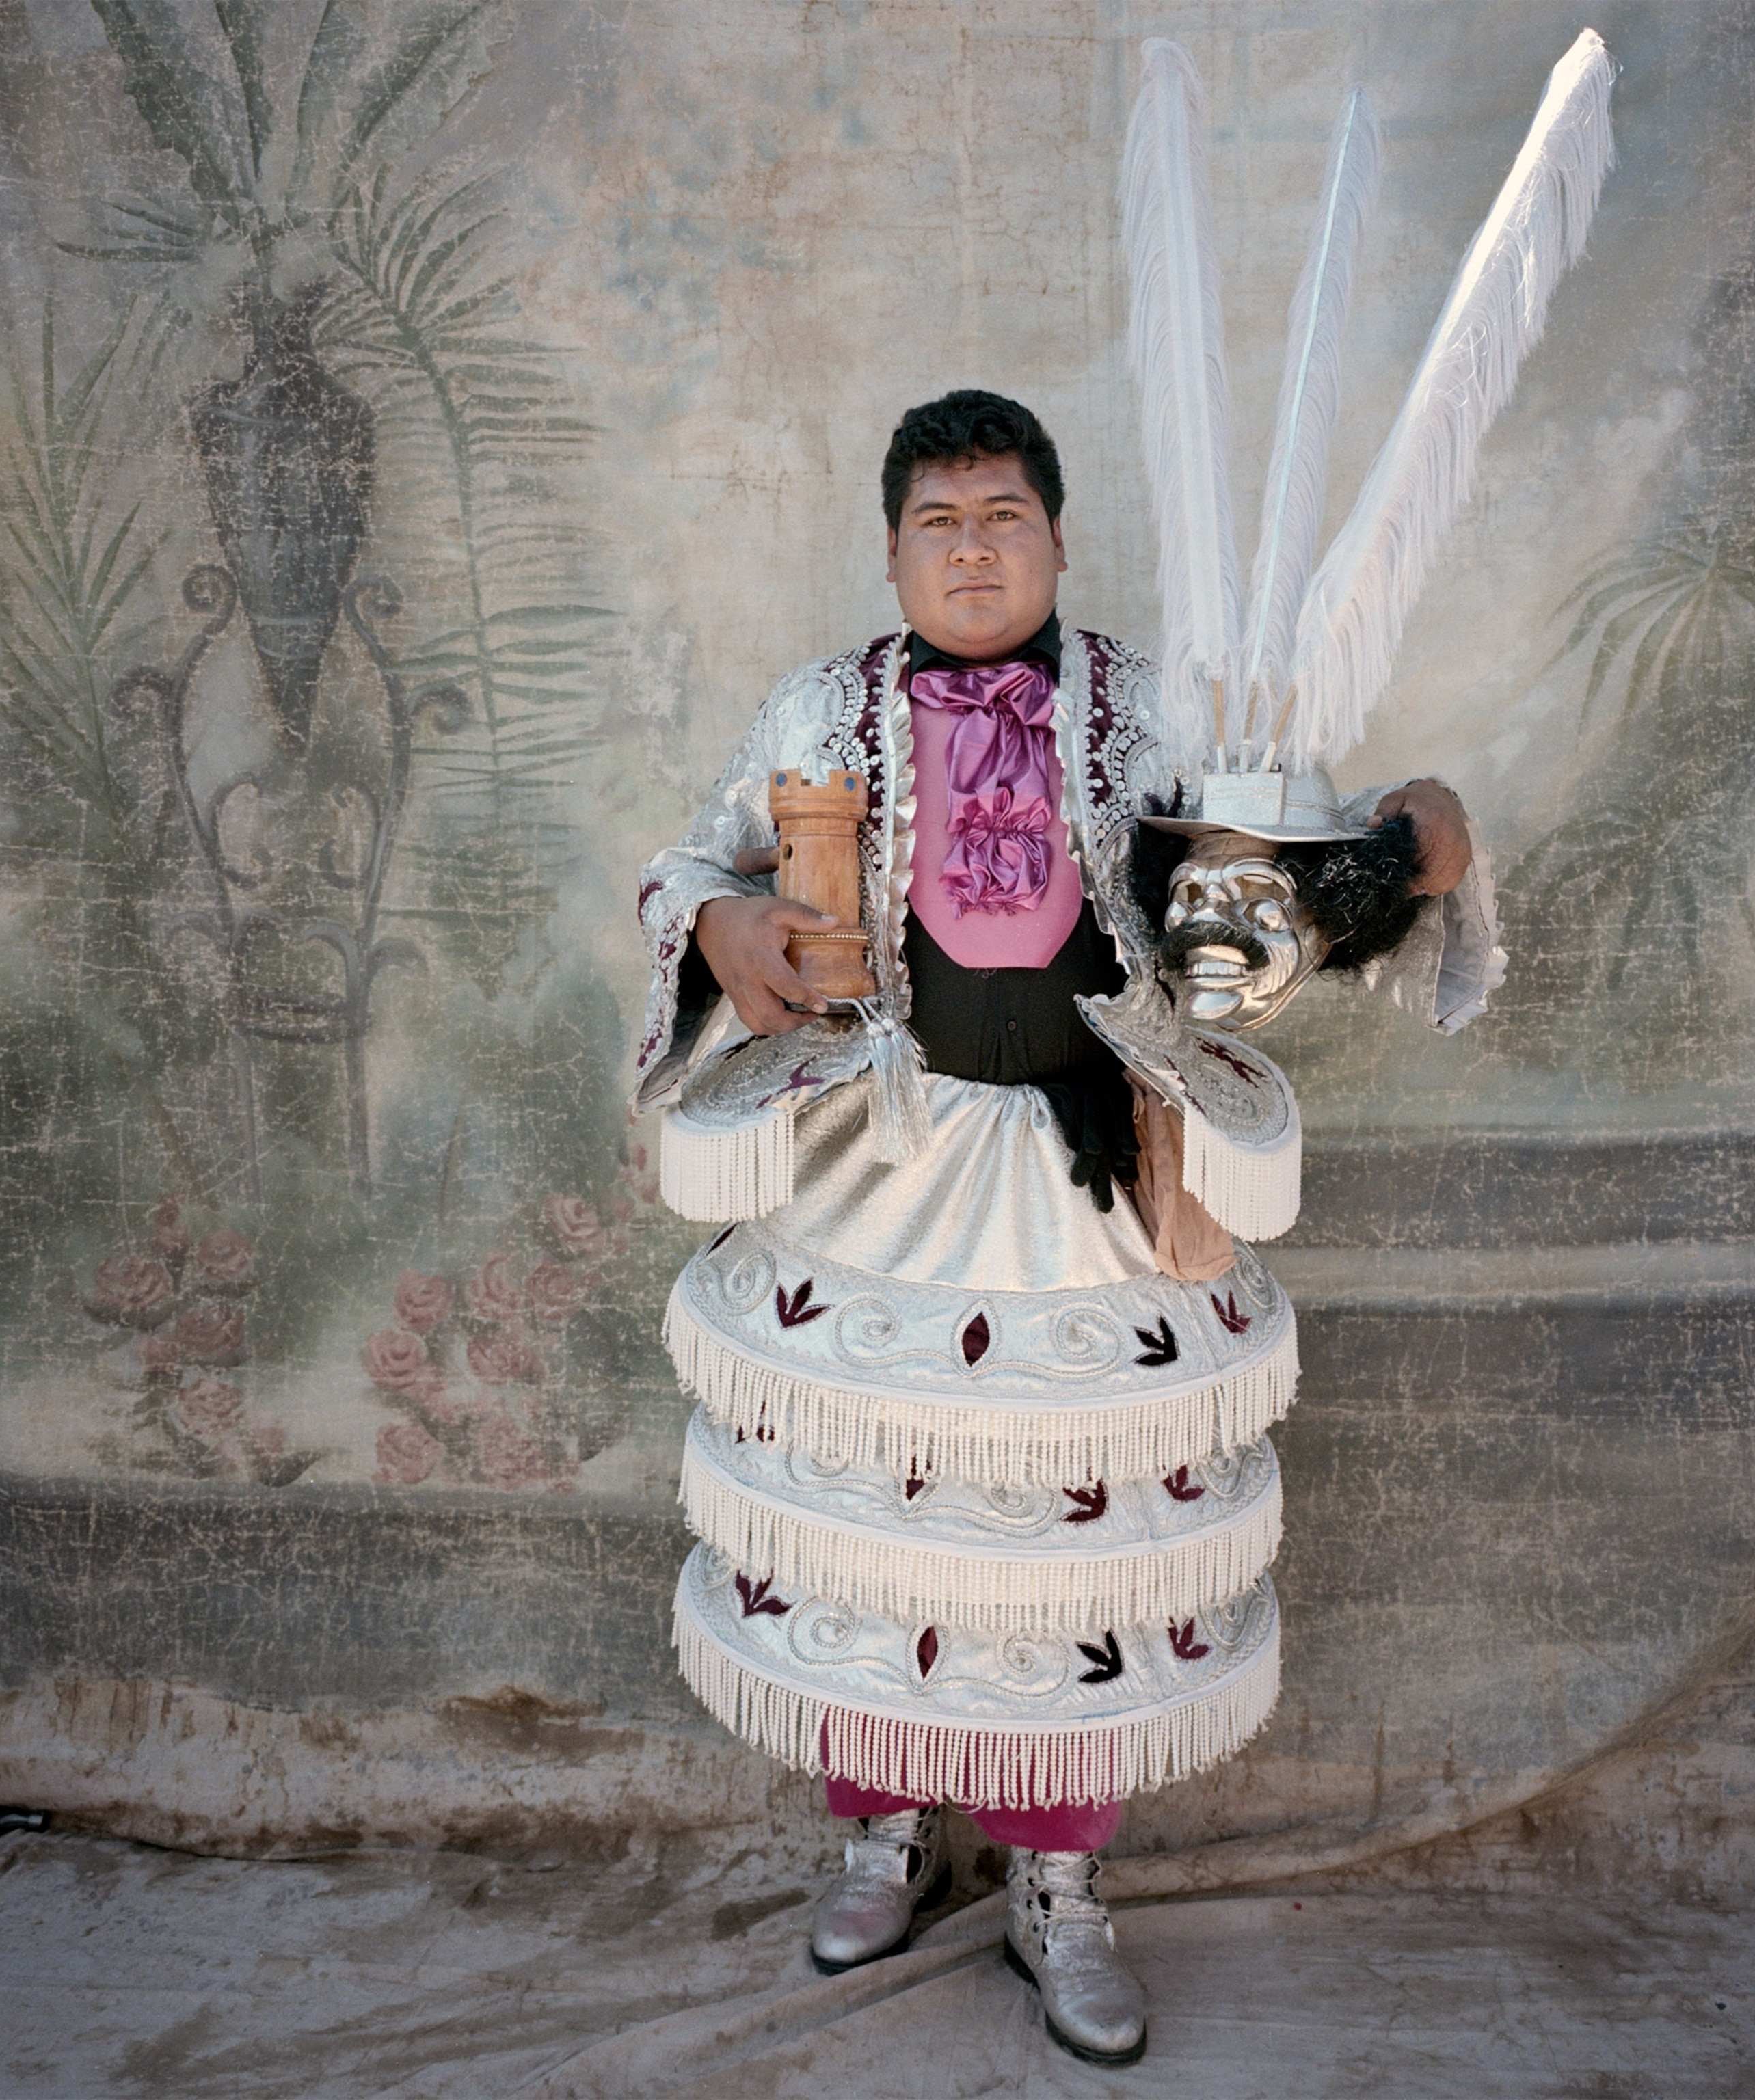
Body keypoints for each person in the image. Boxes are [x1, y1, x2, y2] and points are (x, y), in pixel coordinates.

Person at [631, 390, 1497, 2065]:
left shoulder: (1156, 703)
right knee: (881, 1504)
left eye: (1003, 516)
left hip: (1106, 1165)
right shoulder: (820, 707)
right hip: (882, 1161)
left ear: (1056, 536)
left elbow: (1278, 874)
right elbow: (686, 865)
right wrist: (730, 912)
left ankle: (1056, 1881)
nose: (973, 548)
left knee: (1081, 1523)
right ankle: (882, 1825)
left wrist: (1396, 850)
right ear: (892, 551)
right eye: (939, 523)